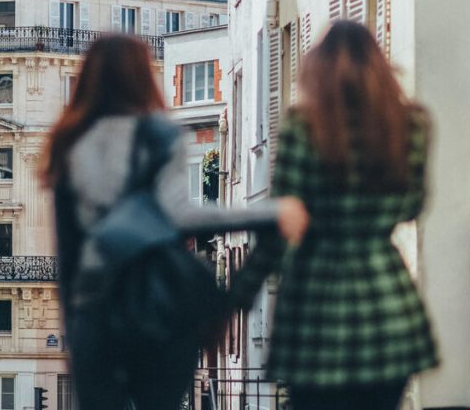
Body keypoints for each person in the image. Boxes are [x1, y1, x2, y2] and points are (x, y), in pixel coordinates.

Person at [42, 34, 288, 410]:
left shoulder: (68, 141)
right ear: (143, 77)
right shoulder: (158, 135)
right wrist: (268, 213)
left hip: (95, 308)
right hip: (160, 306)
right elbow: (179, 215)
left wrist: (73, 332)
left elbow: (68, 250)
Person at [231, 20, 439, 410]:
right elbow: (414, 206)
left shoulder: (303, 127)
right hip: (387, 305)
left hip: (316, 306)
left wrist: (236, 298)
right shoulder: (411, 125)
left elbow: (281, 222)